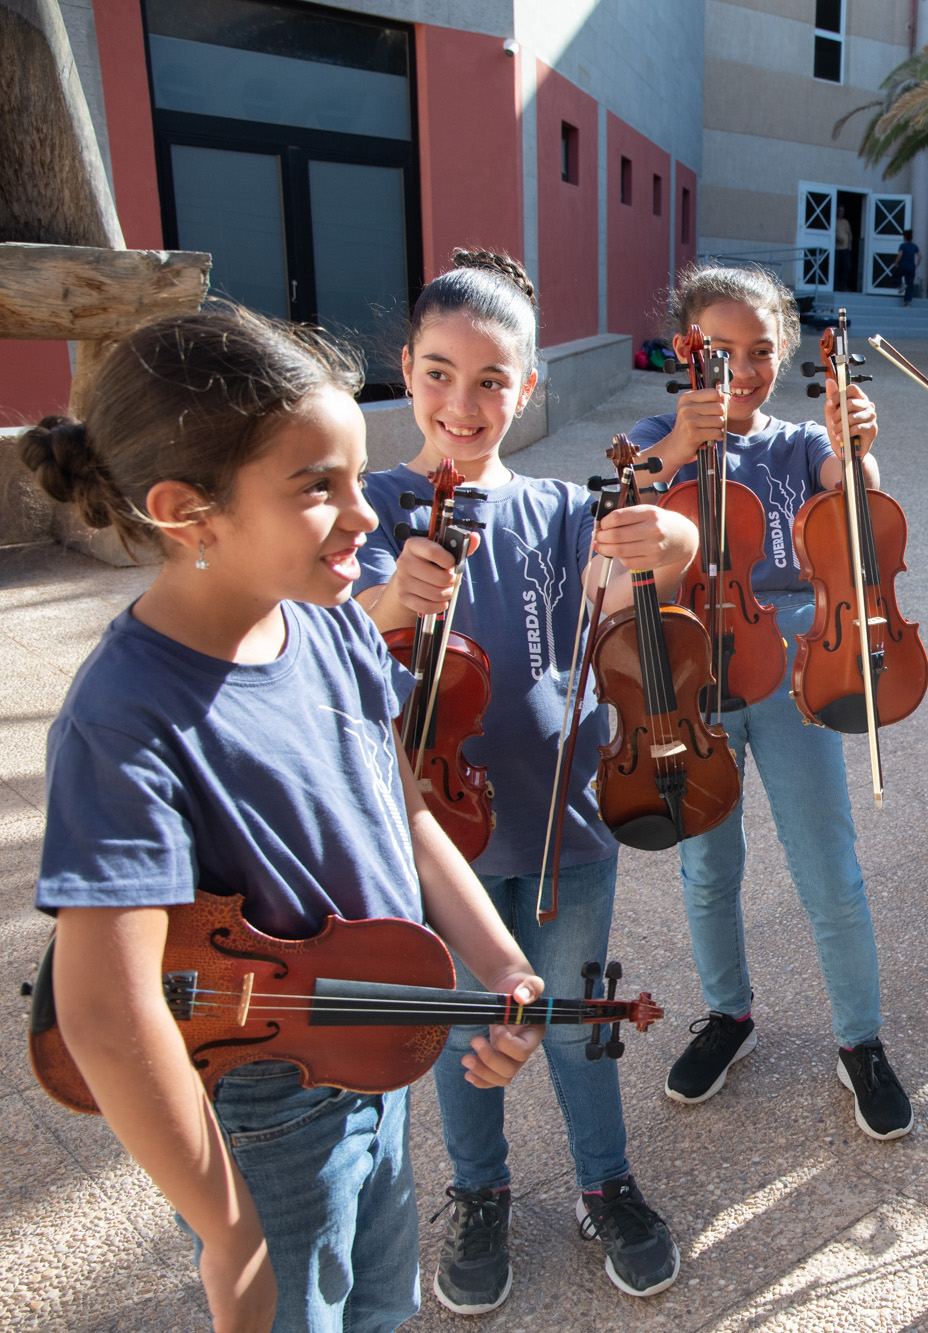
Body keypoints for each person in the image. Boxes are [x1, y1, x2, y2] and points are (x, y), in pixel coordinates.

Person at [25, 305, 549, 1333]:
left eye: (358, 478)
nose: (366, 517)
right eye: (319, 487)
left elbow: (406, 818)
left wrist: (495, 961)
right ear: (189, 513)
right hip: (265, 1112)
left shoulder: (332, 632)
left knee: (381, 1305)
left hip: (377, 1056)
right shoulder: (125, 718)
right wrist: (229, 1230)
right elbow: (103, 1015)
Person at [356, 250, 696, 1311]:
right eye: (441, 374)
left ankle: (604, 1178)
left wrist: (665, 532)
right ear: (406, 370)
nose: (464, 403)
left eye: (492, 380)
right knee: (466, 1021)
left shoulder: (553, 506)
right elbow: (324, 628)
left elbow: (665, 551)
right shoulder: (373, 506)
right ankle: (480, 1188)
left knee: (576, 1009)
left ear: (528, 385)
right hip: (436, 829)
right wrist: (391, 601)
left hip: (565, 816)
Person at [627, 262, 917, 1140]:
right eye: (720, 352)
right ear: (687, 350)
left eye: (759, 352)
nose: (741, 371)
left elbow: (857, 497)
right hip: (695, 674)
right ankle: (729, 1014)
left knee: (827, 863)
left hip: (793, 665)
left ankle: (860, 1039)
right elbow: (624, 493)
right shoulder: (657, 432)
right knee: (709, 866)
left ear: (783, 353)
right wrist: (679, 445)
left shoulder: (796, 445)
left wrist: (860, 442)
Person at [894, 229, 921, 305]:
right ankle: (907, 301)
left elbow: (900, 255)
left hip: (903, 266)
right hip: (911, 267)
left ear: (904, 237)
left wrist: (896, 263)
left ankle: (901, 284)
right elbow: (920, 256)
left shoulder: (903, 246)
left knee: (896, 276)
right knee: (910, 284)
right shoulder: (914, 246)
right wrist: (917, 264)